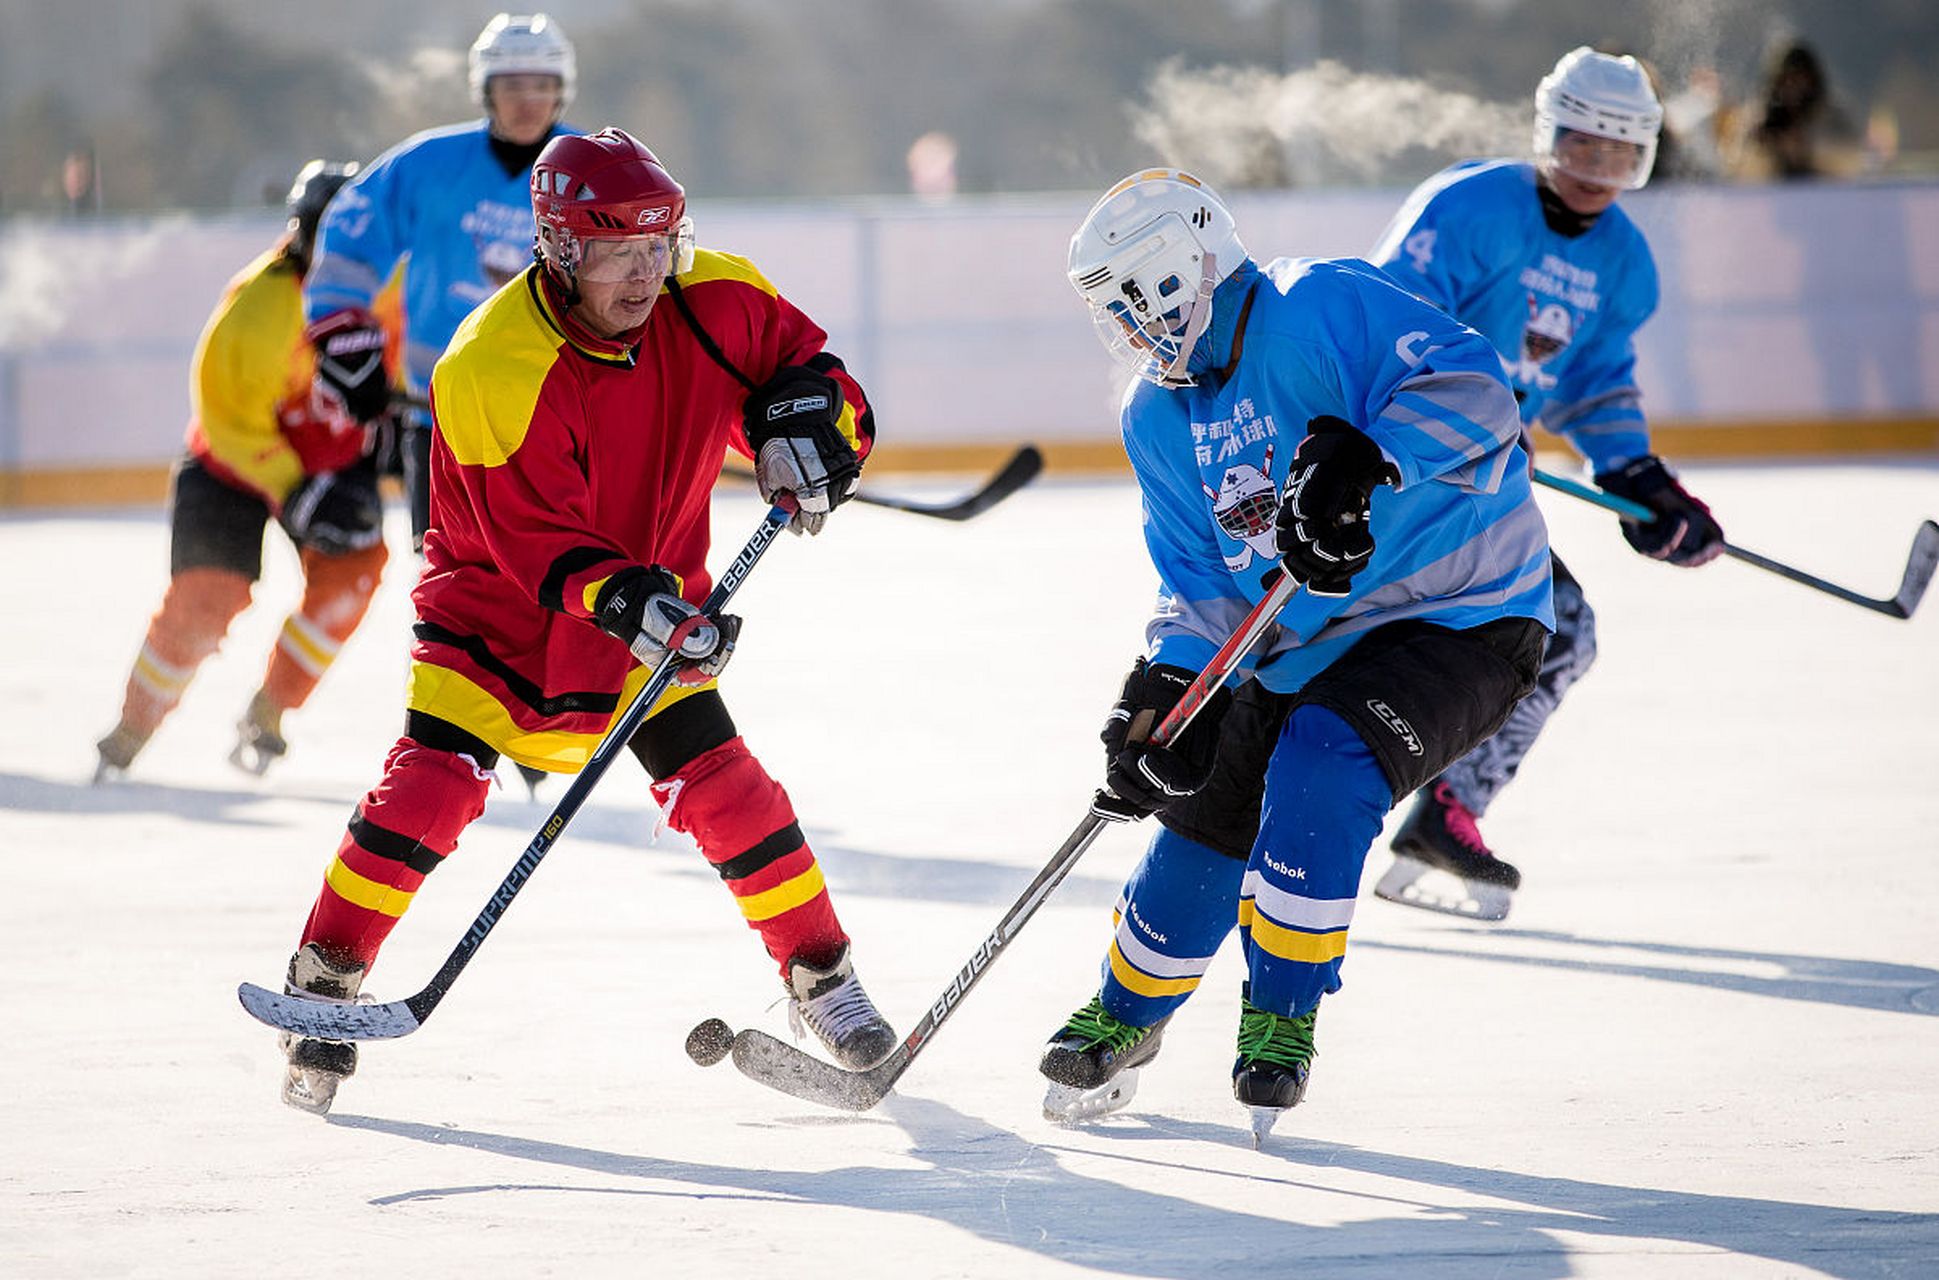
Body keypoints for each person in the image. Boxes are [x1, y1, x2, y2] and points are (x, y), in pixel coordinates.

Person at [271, 127, 894, 1115]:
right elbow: (530, 538)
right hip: (501, 610)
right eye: (616, 251)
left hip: (655, 595)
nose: (646, 271)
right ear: (560, 249)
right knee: (430, 790)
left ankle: (821, 975)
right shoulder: (490, 365)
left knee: (730, 789)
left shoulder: (712, 294)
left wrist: (809, 427)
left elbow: (807, 368)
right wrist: (631, 602)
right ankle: (327, 974)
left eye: (659, 244)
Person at [1038, 169, 1553, 1138]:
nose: (1132, 331)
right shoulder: (1155, 418)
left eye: (1135, 300)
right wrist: (1164, 685)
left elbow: (1478, 386)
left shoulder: (1316, 302)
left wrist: (1367, 452)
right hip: (1305, 638)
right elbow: (1201, 586)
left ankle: (1281, 1014)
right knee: (1202, 802)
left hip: (1464, 609)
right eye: (1113, 314)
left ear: (1187, 267)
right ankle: (1128, 1007)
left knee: (1320, 762)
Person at [1366, 47, 1725, 921]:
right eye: (1580, 147)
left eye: (1619, 154)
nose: (1596, 171)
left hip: (1486, 483)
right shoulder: (1467, 207)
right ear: (1544, 134)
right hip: (1402, 471)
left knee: (1559, 633)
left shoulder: (1624, 262)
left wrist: (1639, 476)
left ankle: (1446, 814)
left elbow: (1597, 381)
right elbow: (1382, 327)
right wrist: (1456, 423)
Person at [94, 160, 389, 783]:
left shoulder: (388, 299)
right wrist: (294, 488)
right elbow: (226, 420)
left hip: (326, 463)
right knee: (207, 597)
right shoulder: (258, 309)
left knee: (354, 575)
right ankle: (132, 729)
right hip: (231, 466)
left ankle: (270, 712)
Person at [302, 11, 579, 555]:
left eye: (542, 86)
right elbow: (350, 240)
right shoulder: (425, 165)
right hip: (440, 419)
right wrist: (342, 335)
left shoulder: (594, 166)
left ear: (561, 92)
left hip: (563, 419)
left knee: (563, 579)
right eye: (512, 85)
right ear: (485, 89)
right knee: (453, 586)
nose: (528, 101)